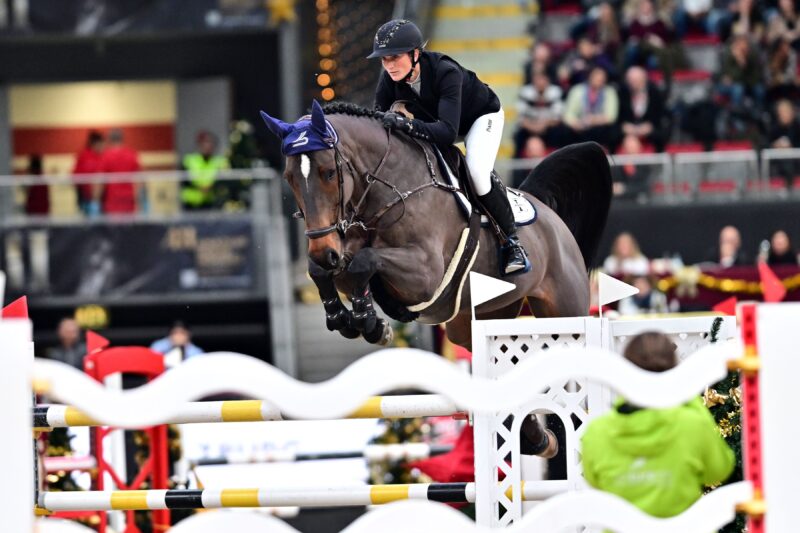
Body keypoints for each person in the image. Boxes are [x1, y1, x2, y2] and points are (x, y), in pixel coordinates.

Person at [368, 19, 529, 276]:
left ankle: (512, 242)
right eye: (383, 59)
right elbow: (379, 122)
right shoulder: (390, 79)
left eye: (394, 57)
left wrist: (406, 125)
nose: (388, 65)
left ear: (415, 54)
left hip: (478, 118)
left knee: (476, 172)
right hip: (435, 123)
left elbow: (446, 133)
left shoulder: (445, 71)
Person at [581, 332, 735, 518]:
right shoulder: (691, 425)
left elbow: (595, 482)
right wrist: (690, 400)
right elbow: (719, 470)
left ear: (626, 373)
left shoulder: (598, 432)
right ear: (672, 372)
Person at [563, 65, 619, 150]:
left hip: (600, 128)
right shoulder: (577, 90)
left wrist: (593, 120)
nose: (600, 79)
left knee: (611, 131)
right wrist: (576, 124)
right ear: (590, 76)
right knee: (564, 132)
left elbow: (611, 117)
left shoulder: (610, 92)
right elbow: (568, 114)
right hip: (579, 127)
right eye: (597, 76)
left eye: (602, 77)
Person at [616, 66, 667, 152]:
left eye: (636, 80)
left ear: (644, 79)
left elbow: (659, 115)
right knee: (626, 140)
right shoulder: (622, 93)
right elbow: (618, 116)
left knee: (659, 136)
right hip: (627, 129)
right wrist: (625, 127)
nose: (632, 83)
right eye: (630, 80)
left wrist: (649, 126)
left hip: (649, 129)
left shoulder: (655, 93)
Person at [181, 130, 230, 210]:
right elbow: (184, 180)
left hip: (210, 202)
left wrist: (211, 187)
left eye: (210, 143)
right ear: (199, 145)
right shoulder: (189, 160)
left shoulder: (220, 161)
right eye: (204, 143)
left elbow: (223, 179)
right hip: (191, 203)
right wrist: (199, 187)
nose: (207, 146)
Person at [99, 129, 140, 214]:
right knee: (129, 226)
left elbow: (100, 181)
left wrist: (95, 200)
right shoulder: (131, 154)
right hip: (129, 200)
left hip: (112, 201)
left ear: (109, 140)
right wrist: (137, 199)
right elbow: (139, 180)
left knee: (113, 226)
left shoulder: (106, 155)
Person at [72, 130, 105, 215]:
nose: (103, 147)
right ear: (95, 144)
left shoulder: (103, 156)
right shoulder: (84, 156)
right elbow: (75, 176)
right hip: (86, 197)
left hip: (101, 198)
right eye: (101, 144)